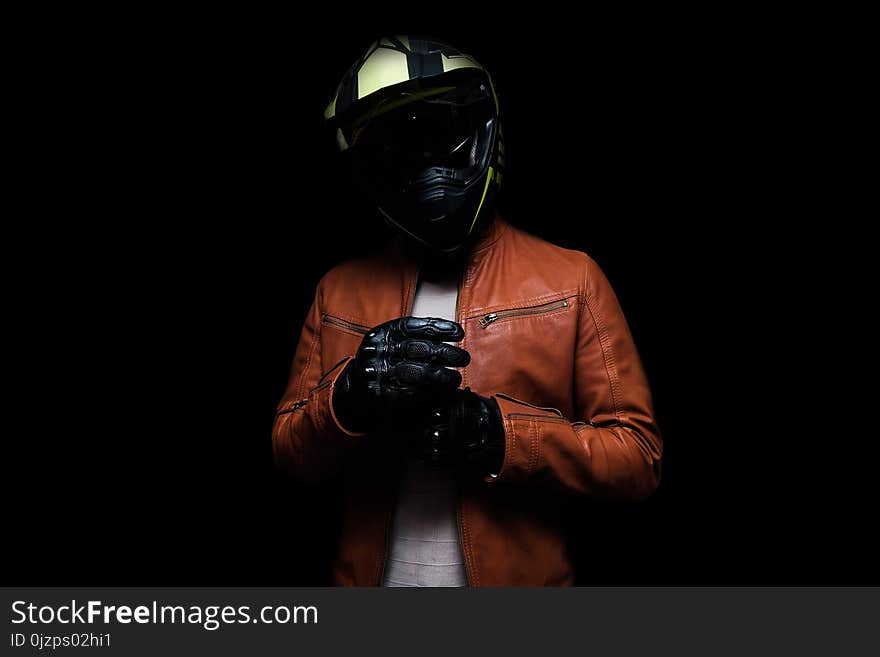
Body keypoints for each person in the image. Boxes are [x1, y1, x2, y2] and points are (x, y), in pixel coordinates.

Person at [273, 35, 662, 586]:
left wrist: (497, 434)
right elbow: (290, 456)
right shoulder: (338, 290)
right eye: (399, 146)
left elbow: (638, 460)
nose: (428, 163)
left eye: (442, 134)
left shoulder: (571, 279)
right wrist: (350, 396)